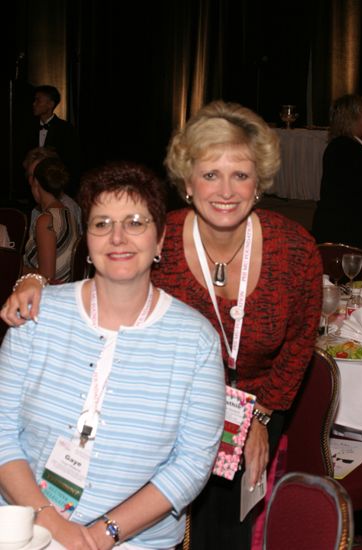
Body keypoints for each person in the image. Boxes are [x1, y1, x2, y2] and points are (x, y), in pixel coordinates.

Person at [1, 101, 323, 549]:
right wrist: (31, 277)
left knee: (231, 529)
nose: (225, 190)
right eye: (210, 174)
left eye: (241, 175)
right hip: (156, 407)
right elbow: (102, 278)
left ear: (259, 182)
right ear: (188, 183)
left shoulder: (294, 248)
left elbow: (300, 340)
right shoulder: (154, 233)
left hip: (256, 402)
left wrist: (263, 416)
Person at [0, 161, 225, 550]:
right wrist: (53, 525)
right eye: (102, 223)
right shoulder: (36, 317)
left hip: (135, 541)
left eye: (136, 222)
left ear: (159, 242)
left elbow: (191, 464)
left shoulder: (196, 342)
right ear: (88, 239)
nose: (118, 237)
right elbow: (2, 434)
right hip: (24, 525)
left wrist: (104, 534)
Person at [312, 93, 362, 249]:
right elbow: (355, 191)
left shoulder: (350, 145)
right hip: (345, 229)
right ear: (354, 117)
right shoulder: (343, 148)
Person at [23, 156, 79, 282]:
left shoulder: (46, 220)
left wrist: (15, 267)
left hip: (48, 296)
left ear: (36, 183)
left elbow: (47, 277)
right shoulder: (68, 213)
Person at [29, 85, 80, 195]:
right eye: (34, 100)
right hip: (32, 186)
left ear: (50, 104)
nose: (34, 104)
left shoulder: (66, 129)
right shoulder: (27, 127)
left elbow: (73, 160)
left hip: (57, 186)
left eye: (38, 100)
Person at [24, 147, 83, 235]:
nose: (35, 181)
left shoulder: (69, 208)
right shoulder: (36, 211)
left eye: (39, 175)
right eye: (31, 175)